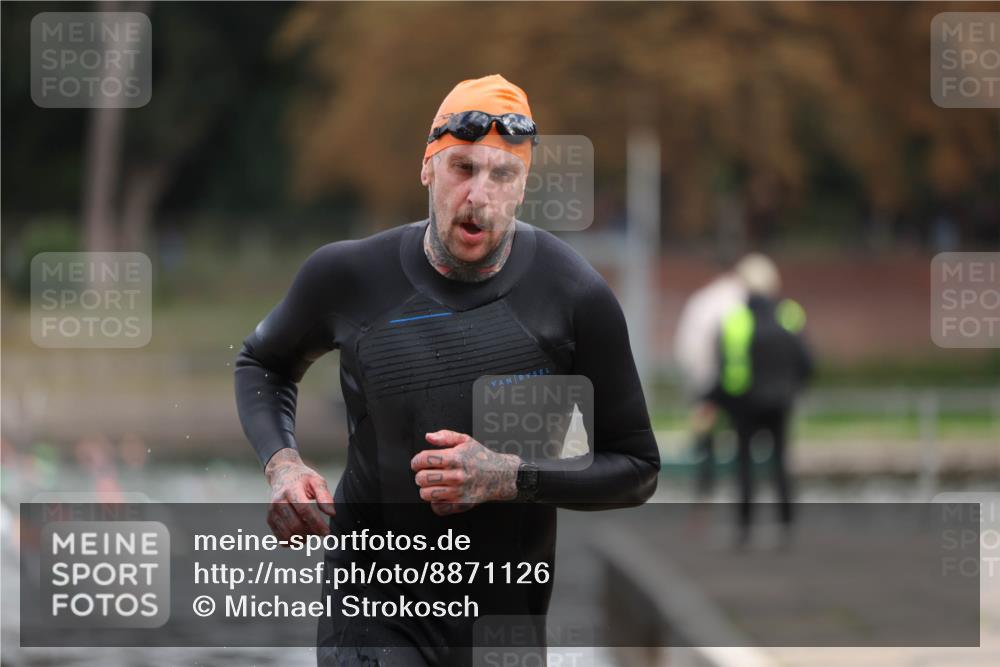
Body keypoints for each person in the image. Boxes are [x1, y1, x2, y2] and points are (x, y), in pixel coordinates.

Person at [234, 74, 660, 666]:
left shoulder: (572, 297)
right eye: (463, 168)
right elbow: (263, 363)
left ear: (523, 187)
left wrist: (509, 477)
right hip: (371, 610)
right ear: (427, 169)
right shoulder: (350, 277)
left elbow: (636, 470)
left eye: (502, 174)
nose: (478, 194)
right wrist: (283, 466)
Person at [707, 254, 813, 547]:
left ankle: (744, 528)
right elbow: (807, 360)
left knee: (744, 464)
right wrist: (794, 388)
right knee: (780, 462)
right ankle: (787, 526)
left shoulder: (735, 320)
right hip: (781, 401)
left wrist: (719, 400)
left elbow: (726, 368)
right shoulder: (790, 315)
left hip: (745, 404)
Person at [673, 261, 747, 497]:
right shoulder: (743, 299)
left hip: (704, 381)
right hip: (740, 382)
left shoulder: (701, 301)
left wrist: (694, 378)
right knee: (740, 435)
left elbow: (686, 346)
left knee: (706, 438)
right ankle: (741, 487)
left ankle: (704, 488)